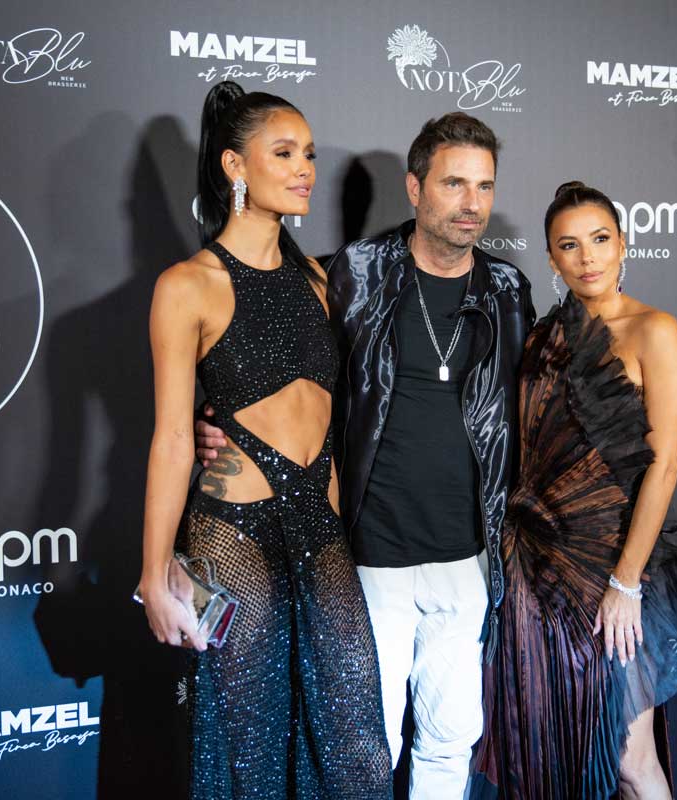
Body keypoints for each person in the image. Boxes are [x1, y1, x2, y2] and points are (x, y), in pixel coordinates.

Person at [198, 113, 534, 798]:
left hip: (468, 557)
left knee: (451, 740)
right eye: (454, 183)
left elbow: (533, 404)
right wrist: (218, 415)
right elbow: (275, 351)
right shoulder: (355, 273)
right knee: (363, 748)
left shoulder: (507, 291)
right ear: (415, 188)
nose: (471, 203)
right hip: (370, 556)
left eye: (484, 186)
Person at [138, 80, 392, 799]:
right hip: (234, 532)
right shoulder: (188, 285)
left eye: (308, 153)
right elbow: (172, 440)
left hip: (319, 525)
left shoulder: (317, 279)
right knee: (249, 744)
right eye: (283, 153)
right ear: (235, 166)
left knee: (356, 742)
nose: (304, 168)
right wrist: (154, 572)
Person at [473, 182, 677, 800]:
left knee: (630, 760)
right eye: (568, 245)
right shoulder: (543, 336)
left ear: (623, 244)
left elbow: (665, 465)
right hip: (534, 569)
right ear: (551, 257)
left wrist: (626, 582)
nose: (587, 257)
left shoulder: (655, 330)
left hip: (611, 567)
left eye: (600, 239)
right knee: (555, 753)